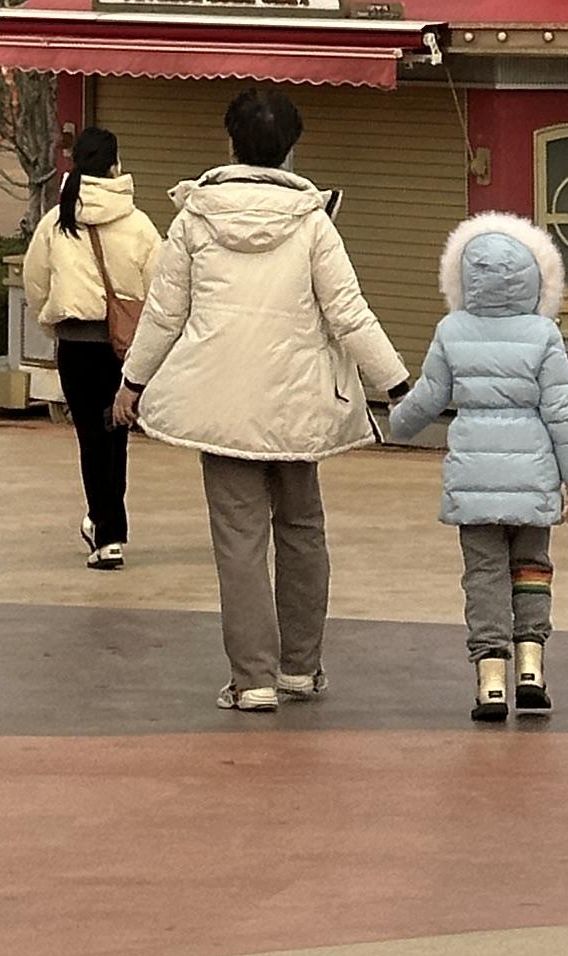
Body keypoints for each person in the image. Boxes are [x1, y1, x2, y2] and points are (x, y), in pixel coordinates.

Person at [116, 82, 406, 714]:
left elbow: (164, 315)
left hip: (220, 407)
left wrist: (132, 383)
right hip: (298, 405)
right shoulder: (313, 223)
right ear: (290, 147)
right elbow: (349, 313)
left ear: (231, 144)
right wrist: (398, 384)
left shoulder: (193, 218)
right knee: (302, 529)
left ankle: (252, 680)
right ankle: (300, 667)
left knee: (239, 540)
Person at [385, 213, 568, 723]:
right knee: (532, 568)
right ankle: (531, 670)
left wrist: (397, 423)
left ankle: (491, 682)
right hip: (533, 479)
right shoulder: (544, 335)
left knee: (483, 576)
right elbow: (562, 410)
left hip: (474, 481)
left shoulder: (451, 330)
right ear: (537, 278)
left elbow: (430, 396)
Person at [20, 126, 161, 568]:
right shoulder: (138, 224)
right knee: (115, 437)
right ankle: (108, 528)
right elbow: (160, 286)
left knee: (91, 439)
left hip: (76, 346)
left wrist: (52, 320)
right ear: (116, 166)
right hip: (123, 349)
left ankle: (105, 532)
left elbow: (35, 283)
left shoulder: (56, 221)